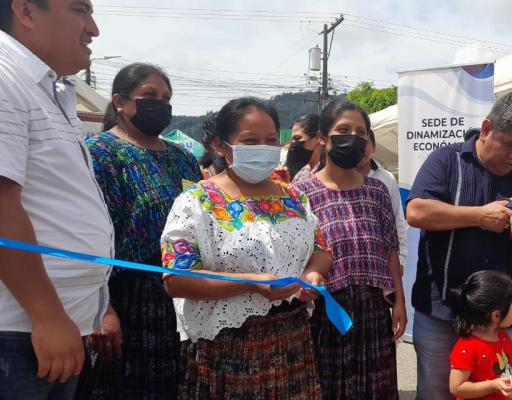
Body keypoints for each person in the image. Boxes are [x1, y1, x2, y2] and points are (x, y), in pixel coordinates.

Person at [160, 97, 332, 399]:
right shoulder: (195, 202)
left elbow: (321, 250)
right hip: (227, 348)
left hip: (292, 343)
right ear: (220, 145)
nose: (263, 149)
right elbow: (176, 280)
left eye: (270, 140)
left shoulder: (294, 198)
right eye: (250, 141)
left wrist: (313, 275)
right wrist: (250, 283)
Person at [407, 92, 512, 400]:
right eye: (509, 145)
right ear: (487, 129)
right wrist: (479, 216)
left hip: (501, 322)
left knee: (502, 394)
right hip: (441, 311)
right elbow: (416, 212)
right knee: (436, 392)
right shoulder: (447, 160)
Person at [0, 1, 112, 399]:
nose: (93, 29)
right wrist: (46, 315)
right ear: (26, 12)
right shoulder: (5, 78)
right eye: (79, 10)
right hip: (20, 331)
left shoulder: (47, 88)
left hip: (49, 326)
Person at [75, 63, 201, 399]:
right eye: (150, 96)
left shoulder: (183, 159)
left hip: (183, 295)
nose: (160, 104)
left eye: (166, 98)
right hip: (127, 300)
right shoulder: (100, 155)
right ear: (119, 101)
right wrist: (101, 308)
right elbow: (86, 236)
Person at [293, 100, 406, 399]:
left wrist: (399, 302)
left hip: (373, 310)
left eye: (360, 132)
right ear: (323, 137)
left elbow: (390, 249)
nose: (353, 137)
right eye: (343, 130)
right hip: (327, 311)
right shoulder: (302, 193)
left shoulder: (377, 190)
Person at [449, 271, 512, 400]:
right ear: (496, 315)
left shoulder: (503, 337)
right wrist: (493, 385)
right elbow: (456, 387)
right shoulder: (468, 347)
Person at [355, 128, 409, 267]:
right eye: (357, 142)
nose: (361, 148)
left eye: (365, 143)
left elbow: (398, 219)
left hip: (382, 261)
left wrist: (401, 260)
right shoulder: (339, 179)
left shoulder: (387, 178)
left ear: (374, 147)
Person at [286, 113, 321, 182]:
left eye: (297, 138)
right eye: (293, 139)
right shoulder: (301, 174)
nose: (293, 144)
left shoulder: (330, 176)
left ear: (318, 137)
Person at [198, 112, 226, 179]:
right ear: (206, 145)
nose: (221, 153)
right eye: (219, 145)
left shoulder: (247, 178)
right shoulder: (197, 177)